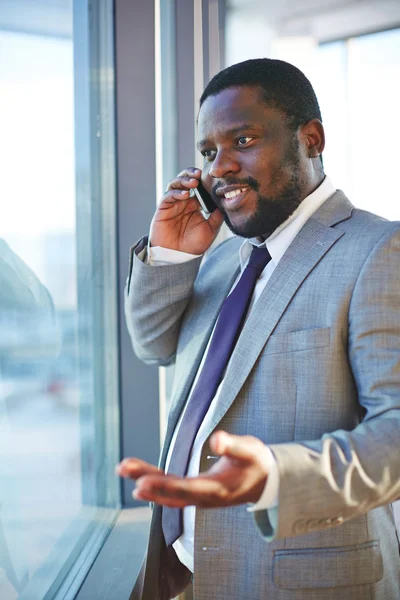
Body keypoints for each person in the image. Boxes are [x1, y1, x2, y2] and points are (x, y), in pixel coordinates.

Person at [119, 58, 400, 599]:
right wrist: (171, 255)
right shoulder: (224, 260)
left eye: (242, 140)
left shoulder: (378, 250)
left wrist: (275, 476)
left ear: (311, 139)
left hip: (298, 583)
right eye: (207, 152)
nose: (219, 167)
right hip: (183, 574)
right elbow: (152, 344)